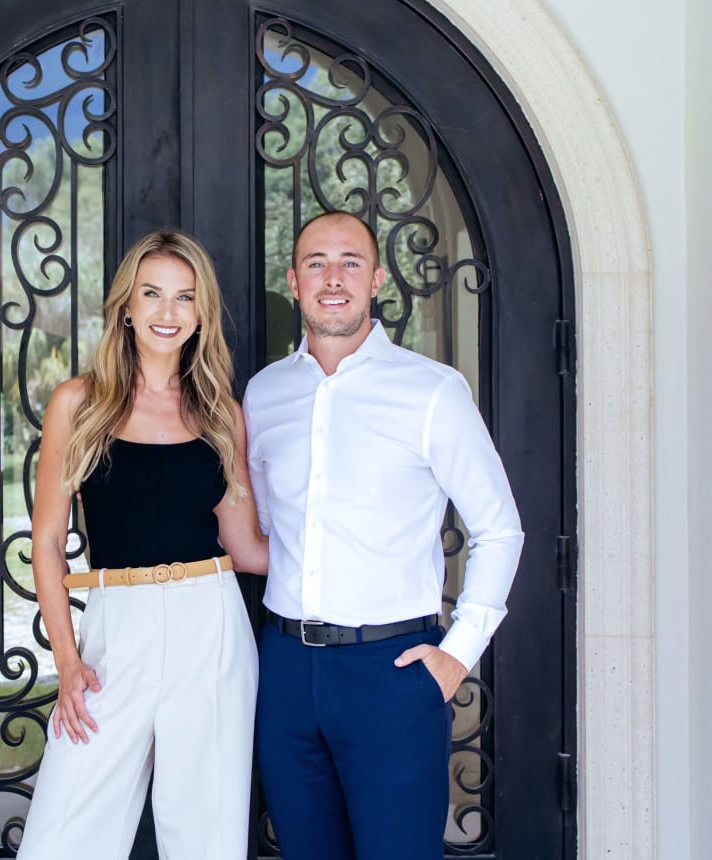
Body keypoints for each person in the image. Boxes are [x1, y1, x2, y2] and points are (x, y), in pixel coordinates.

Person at [243, 211, 524, 859]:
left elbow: (498, 528)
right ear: (293, 280)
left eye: (350, 262)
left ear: (375, 280)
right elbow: (263, 525)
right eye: (316, 262)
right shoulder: (264, 395)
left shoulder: (431, 392)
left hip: (391, 671)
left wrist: (459, 654)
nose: (333, 277)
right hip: (286, 670)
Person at [19, 229, 268, 860]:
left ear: (200, 313)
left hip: (209, 623)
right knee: (63, 832)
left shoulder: (220, 413)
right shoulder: (78, 404)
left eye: (184, 298)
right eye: (151, 294)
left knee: (206, 832)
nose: (167, 312)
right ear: (126, 306)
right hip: (115, 625)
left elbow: (247, 549)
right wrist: (68, 662)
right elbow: (46, 543)